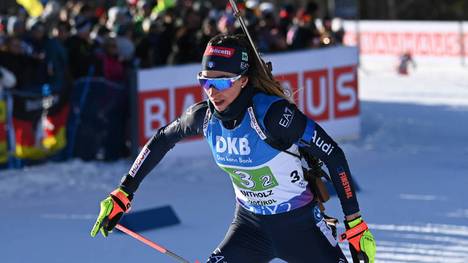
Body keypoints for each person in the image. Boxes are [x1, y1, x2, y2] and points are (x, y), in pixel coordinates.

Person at [90, 34, 376, 263]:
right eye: (206, 82)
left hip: (300, 228)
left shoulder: (273, 115)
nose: (213, 92)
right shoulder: (205, 117)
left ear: (243, 80)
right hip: (249, 229)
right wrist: (124, 192)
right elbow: (162, 139)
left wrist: (354, 222)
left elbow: (332, 154)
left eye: (222, 82)